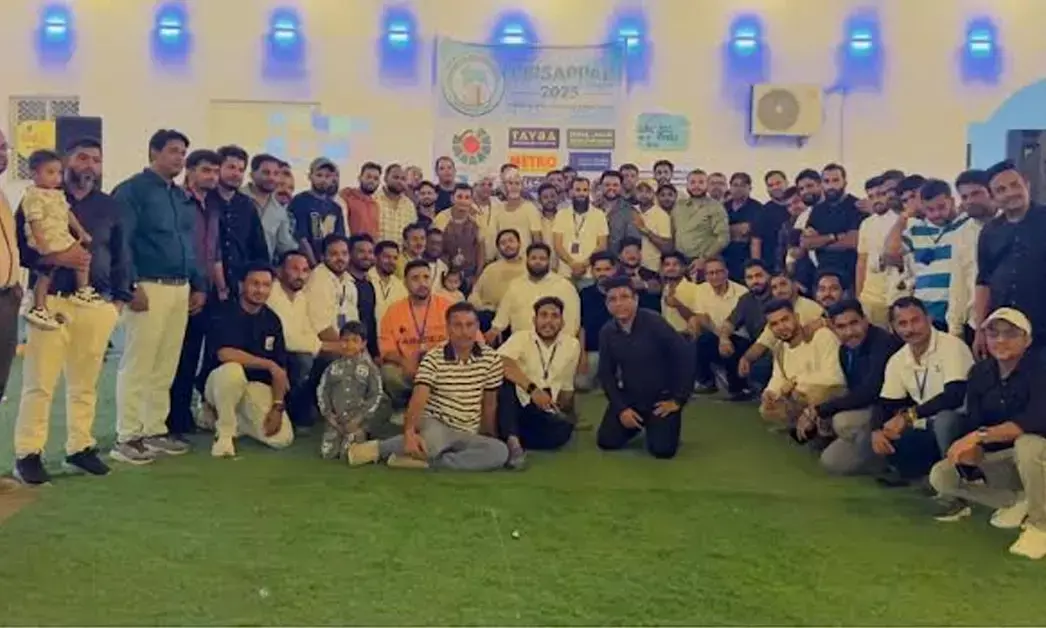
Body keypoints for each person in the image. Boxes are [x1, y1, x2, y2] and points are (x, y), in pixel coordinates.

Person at [12, 137, 128, 484]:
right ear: (66, 163)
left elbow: (122, 254)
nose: (90, 165)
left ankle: (80, 448)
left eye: (96, 159)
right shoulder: (36, 198)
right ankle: (28, 453)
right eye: (82, 158)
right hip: (50, 302)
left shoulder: (108, 206)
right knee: (39, 383)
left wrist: (118, 300)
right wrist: (56, 258)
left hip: (94, 304)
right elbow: (20, 249)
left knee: (85, 382)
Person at [111, 129, 205, 462]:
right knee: (139, 363)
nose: (180, 158)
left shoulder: (180, 196)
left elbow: (189, 245)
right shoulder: (131, 191)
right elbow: (121, 242)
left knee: (165, 364)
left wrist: (198, 284)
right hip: (147, 286)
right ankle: (127, 436)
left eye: (183, 153)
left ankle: (153, 430)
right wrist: (131, 285)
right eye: (173, 151)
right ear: (153, 152)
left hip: (180, 287)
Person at [929, 308, 1046, 559]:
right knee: (942, 476)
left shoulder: (1041, 369)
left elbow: (1034, 421)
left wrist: (978, 437)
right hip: (1004, 457)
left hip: (1038, 454)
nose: (1001, 341)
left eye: (1010, 334)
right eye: (993, 334)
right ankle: (1020, 500)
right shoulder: (980, 372)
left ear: (1027, 340)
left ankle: (1041, 525)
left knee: (1028, 444)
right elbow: (975, 420)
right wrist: (974, 453)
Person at [348, 302, 509, 471]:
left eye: (469, 325)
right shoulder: (434, 358)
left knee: (499, 451)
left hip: (469, 430)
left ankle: (426, 462)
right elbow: (418, 399)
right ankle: (377, 449)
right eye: (458, 325)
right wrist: (409, 433)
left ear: (477, 327)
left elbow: (489, 403)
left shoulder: (492, 359)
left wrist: (488, 436)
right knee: (431, 443)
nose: (464, 332)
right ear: (448, 328)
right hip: (437, 423)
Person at [871, 297, 974, 489]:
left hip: (961, 419)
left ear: (929, 318)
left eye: (915, 320)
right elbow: (886, 403)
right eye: (902, 323)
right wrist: (877, 430)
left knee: (944, 420)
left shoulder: (952, 346)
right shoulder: (898, 359)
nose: (910, 329)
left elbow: (955, 396)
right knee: (889, 431)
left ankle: (957, 482)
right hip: (925, 422)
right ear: (894, 328)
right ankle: (921, 478)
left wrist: (909, 416)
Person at [201, 263, 295, 458]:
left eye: (266, 285)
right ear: (242, 284)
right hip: (219, 384)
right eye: (255, 284)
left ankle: (232, 420)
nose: (260, 290)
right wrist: (268, 364)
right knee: (232, 372)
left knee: (281, 439)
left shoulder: (272, 320)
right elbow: (224, 354)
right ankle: (225, 435)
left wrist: (277, 407)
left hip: (254, 387)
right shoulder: (224, 312)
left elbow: (280, 371)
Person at [800, 300, 902, 475]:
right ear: (833, 328)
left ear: (865, 320)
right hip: (869, 411)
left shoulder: (883, 343)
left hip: (891, 412)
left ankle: (887, 457)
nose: (849, 332)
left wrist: (820, 410)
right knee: (831, 462)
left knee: (842, 421)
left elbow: (872, 391)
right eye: (841, 326)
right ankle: (871, 451)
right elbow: (855, 391)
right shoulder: (844, 350)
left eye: (854, 323)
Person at [596, 276, 693, 459]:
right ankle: (642, 423)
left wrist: (678, 400)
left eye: (625, 297)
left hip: (661, 398)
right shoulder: (607, 332)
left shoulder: (655, 323)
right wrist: (621, 408)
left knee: (662, 451)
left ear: (636, 299)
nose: (619, 303)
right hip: (631, 397)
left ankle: (656, 425)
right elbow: (606, 374)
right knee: (606, 441)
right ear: (607, 305)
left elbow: (685, 356)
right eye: (612, 299)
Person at [167, 148, 222, 439]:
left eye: (215, 171)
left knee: (191, 355)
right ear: (190, 171)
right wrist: (194, 287)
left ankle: (181, 414)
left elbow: (213, 251)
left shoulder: (212, 206)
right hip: (179, 287)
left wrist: (216, 287)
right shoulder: (177, 201)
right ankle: (166, 417)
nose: (212, 176)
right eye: (206, 170)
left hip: (206, 290)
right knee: (171, 356)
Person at [20, 149, 103, 329]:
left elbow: (68, 214)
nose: (56, 178)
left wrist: (81, 232)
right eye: (50, 172)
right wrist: (42, 244)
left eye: (59, 173)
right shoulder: (33, 196)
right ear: (34, 173)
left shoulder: (57, 194)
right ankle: (40, 307)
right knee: (46, 274)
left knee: (78, 259)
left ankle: (81, 291)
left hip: (61, 236)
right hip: (48, 238)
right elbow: (34, 221)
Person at [885, 179, 977, 338]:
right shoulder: (916, 229)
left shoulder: (967, 225)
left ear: (952, 201)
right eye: (930, 209)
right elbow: (890, 254)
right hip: (925, 313)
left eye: (941, 207)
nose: (936, 214)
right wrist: (904, 216)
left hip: (958, 312)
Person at [973, 161, 1046, 360]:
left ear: (1027, 184)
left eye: (1015, 185)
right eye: (1001, 190)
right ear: (993, 197)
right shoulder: (989, 231)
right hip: (1003, 331)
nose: (1010, 193)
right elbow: (983, 282)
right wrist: (980, 329)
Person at [498, 296, 581, 467]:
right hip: (519, 400)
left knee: (564, 431)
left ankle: (509, 435)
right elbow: (502, 362)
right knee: (504, 384)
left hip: (545, 406)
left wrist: (566, 413)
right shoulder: (521, 337)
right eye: (543, 315)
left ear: (562, 322)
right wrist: (533, 390)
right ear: (534, 320)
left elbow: (567, 385)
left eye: (554, 316)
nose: (548, 321)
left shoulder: (572, 345)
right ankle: (513, 443)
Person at [378, 260, 456, 409]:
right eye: (415, 278)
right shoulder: (393, 311)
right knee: (388, 373)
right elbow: (387, 351)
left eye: (426, 277)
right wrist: (405, 362)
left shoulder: (448, 307)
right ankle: (406, 407)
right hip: (409, 371)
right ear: (405, 283)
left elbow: (469, 340)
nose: (422, 283)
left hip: (443, 369)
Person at [757, 299, 846, 429]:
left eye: (785, 320)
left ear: (796, 317)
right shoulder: (780, 348)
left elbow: (835, 378)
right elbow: (779, 376)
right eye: (775, 324)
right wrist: (770, 392)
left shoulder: (822, 336)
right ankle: (801, 427)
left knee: (809, 393)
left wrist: (796, 384)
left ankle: (822, 428)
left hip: (831, 393)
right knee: (766, 409)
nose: (781, 327)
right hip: (798, 395)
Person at [317, 321, 393, 459]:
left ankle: (361, 434)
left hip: (358, 421)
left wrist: (359, 419)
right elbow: (323, 392)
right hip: (336, 421)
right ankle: (338, 435)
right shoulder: (332, 368)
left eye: (355, 341)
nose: (349, 345)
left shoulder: (370, 369)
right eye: (345, 340)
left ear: (363, 344)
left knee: (348, 454)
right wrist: (329, 416)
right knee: (328, 453)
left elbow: (376, 395)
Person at [487, 242, 580, 346]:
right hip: (520, 345)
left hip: (554, 345)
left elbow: (572, 321)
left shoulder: (564, 286)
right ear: (527, 260)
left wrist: (563, 345)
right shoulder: (516, 285)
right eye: (533, 258)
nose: (537, 262)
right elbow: (503, 314)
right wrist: (494, 330)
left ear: (549, 261)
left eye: (542, 259)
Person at [208, 145, 270, 302]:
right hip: (207, 285)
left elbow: (258, 247)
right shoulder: (206, 200)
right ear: (218, 168)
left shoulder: (247, 205)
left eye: (241, 170)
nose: (236, 174)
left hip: (240, 287)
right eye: (231, 167)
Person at [0, 128, 24, 493]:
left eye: (4, 147)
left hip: (6, 298)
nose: (2, 154)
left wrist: (16, 284)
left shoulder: (4, 195)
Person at [688, 256, 749, 397]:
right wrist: (721, 337)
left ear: (726, 272)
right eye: (711, 273)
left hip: (739, 335)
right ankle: (706, 382)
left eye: (719, 272)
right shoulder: (701, 289)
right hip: (716, 333)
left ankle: (739, 389)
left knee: (733, 346)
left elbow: (738, 322)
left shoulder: (742, 292)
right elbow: (703, 317)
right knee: (701, 339)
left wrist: (724, 338)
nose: (715, 276)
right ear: (706, 275)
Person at [803, 163, 863, 288]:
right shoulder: (817, 210)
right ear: (821, 184)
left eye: (835, 180)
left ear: (845, 182)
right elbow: (806, 243)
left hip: (850, 274)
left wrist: (820, 243)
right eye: (826, 181)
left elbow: (852, 242)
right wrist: (834, 237)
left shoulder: (856, 206)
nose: (831, 186)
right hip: (822, 274)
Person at [855, 174, 902, 328]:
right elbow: (862, 261)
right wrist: (859, 295)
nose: (876, 200)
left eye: (880, 194)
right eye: (871, 196)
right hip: (870, 296)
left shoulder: (901, 220)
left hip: (897, 293)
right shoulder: (866, 224)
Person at [671, 169, 729, 280]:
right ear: (687, 185)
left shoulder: (715, 207)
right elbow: (674, 233)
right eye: (692, 182)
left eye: (701, 182)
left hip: (705, 263)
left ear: (707, 185)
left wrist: (703, 259)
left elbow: (723, 238)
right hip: (680, 262)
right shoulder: (678, 206)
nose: (696, 186)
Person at [303, 234, 359, 347]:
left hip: (346, 344)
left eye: (344, 254)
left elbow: (354, 322)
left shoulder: (349, 282)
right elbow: (322, 329)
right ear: (322, 257)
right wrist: (346, 348)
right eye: (334, 254)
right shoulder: (317, 280)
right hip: (325, 347)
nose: (340, 258)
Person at [288, 157, 345, 267]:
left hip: (330, 265)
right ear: (310, 176)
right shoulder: (300, 201)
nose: (323, 180)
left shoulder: (336, 208)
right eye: (319, 175)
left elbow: (339, 240)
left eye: (327, 176)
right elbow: (301, 239)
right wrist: (315, 265)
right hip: (304, 265)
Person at [553, 176, 609, 287]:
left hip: (589, 274)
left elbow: (602, 245)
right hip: (565, 272)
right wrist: (572, 264)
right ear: (571, 192)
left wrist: (583, 265)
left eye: (585, 190)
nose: (581, 194)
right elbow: (557, 245)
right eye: (578, 190)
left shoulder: (599, 215)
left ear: (589, 192)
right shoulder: (561, 214)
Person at [468, 229, 527, 330]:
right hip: (493, 317)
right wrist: (483, 307)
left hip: (522, 316)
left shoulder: (529, 267)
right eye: (503, 243)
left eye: (511, 241)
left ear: (519, 243)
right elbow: (475, 293)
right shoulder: (491, 269)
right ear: (498, 248)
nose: (508, 245)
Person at [576, 251, 618, 391]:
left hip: (619, 352)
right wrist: (582, 356)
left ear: (614, 270)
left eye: (607, 269)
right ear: (592, 271)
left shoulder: (622, 293)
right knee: (581, 384)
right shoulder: (584, 294)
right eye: (598, 270)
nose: (602, 273)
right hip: (592, 352)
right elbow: (581, 327)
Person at [244, 153, 297, 261]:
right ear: (252, 175)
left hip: (263, 268)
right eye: (266, 173)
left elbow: (285, 245)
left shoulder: (280, 211)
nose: (271, 178)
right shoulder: (236, 198)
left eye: (276, 174)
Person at [439, 183, 484, 282]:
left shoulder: (477, 219)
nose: (463, 201)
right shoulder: (441, 218)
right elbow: (436, 247)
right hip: (446, 273)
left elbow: (480, 249)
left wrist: (477, 276)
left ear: (471, 200)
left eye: (467, 197)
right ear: (452, 198)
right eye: (459, 197)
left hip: (469, 274)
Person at [722, 172, 762, 282]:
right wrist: (737, 230)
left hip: (746, 259)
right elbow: (718, 233)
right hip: (725, 258)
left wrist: (756, 265)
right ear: (730, 187)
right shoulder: (723, 207)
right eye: (735, 185)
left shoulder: (757, 208)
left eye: (742, 185)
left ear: (750, 188)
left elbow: (755, 238)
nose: (738, 189)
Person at [490, 169, 542, 249]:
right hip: (503, 254)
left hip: (525, 255)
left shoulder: (530, 208)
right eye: (510, 183)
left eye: (517, 183)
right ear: (503, 186)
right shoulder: (498, 208)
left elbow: (536, 237)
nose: (514, 187)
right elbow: (494, 235)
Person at [751, 170, 791, 267]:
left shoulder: (800, 206)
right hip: (772, 266)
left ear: (787, 183)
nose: (775, 187)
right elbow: (756, 242)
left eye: (778, 183)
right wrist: (757, 267)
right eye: (770, 185)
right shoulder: (762, 212)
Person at [602, 170, 643, 255]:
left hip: (619, 261)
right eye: (607, 185)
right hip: (593, 261)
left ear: (621, 187)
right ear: (601, 186)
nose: (611, 188)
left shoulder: (630, 211)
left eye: (615, 185)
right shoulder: (591, 208)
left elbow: (633, 242)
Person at [615, 237, 661, 311]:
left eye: (635, 252)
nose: (632, 255)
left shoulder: (652, 274)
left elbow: (659, 289)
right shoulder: (615, 277)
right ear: (619, 256)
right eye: (627, 252)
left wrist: (644, 285)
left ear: (640, 254)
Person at [340, 161, 381, 239]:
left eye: (376, 179)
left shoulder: (375, 205)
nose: (372, 181)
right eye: (368, 177)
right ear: (359, 178)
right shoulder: (347, 196)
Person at [369, 239, 407, 323]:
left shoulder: (399, 285)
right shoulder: (366, 279)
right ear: (375, 258)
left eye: (395, 258)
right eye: (387, 257)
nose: (391, 261)